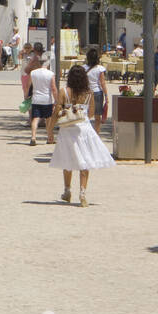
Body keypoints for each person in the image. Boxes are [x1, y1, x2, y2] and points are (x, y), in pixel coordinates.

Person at [50, 65, 114, 207]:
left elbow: (56, 111)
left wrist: (50, 129)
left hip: (67, 129)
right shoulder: (89, 93)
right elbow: (91, 113)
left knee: (68, 159)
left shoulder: (63, 92)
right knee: (84, 161)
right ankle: (82, 193)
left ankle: (67, 190)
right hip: (84, 129)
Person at [27, 45, 57, 146]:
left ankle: (33, 136)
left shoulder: (33, 73)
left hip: (36, 98)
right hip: (46, 99)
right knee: (48, 119)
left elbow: (29, 86)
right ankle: (50, 137)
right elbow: (53, 88)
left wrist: (28, 97)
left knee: (35, 118)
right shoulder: (50, 74)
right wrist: (56, 100)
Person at [85, 47, 109, 133]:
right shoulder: (100, 68)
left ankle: (86, 132)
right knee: (97, 115)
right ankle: (97, 134)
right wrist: (106, 96)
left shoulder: (83, 68)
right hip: (97, 92)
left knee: (86, 114)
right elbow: (102, 83)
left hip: (86, 92)